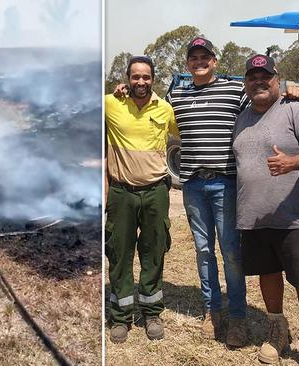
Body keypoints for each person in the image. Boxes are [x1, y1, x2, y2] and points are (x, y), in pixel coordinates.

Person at [233, 54, 299, 365]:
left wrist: (292, 162)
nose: (259, 81)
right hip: (255, 218)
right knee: (268, 275)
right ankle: (278, 332)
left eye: (265, 76)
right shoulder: (241, 117)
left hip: (297, 218)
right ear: (245, 82)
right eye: (252, 76)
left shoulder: (297, 109)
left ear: (276, 79)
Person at [165, 37, 248, 346]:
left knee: (231, 252)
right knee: (202, 250)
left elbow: (262, 106)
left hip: (225, 183)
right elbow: (150, 108)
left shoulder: (233, 90)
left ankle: (238, 316)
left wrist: (291, 94)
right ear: (188, 64)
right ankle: (212, 312)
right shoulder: (177, 95)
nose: (199, 61)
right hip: (193, 185)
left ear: (215, 61)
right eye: (193, 57)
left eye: (205, 56)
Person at [105, 55, 178, 343]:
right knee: (119, 253)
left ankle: (151, 312)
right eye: (135, 76)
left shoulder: (165, 109)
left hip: (155, 191)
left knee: (153, 252)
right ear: (127, 79)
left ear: (153, 79)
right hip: (122, 193)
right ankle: (120, 316)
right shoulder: (111, 104)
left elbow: (186, 134)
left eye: (146, 77)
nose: (140, 82)